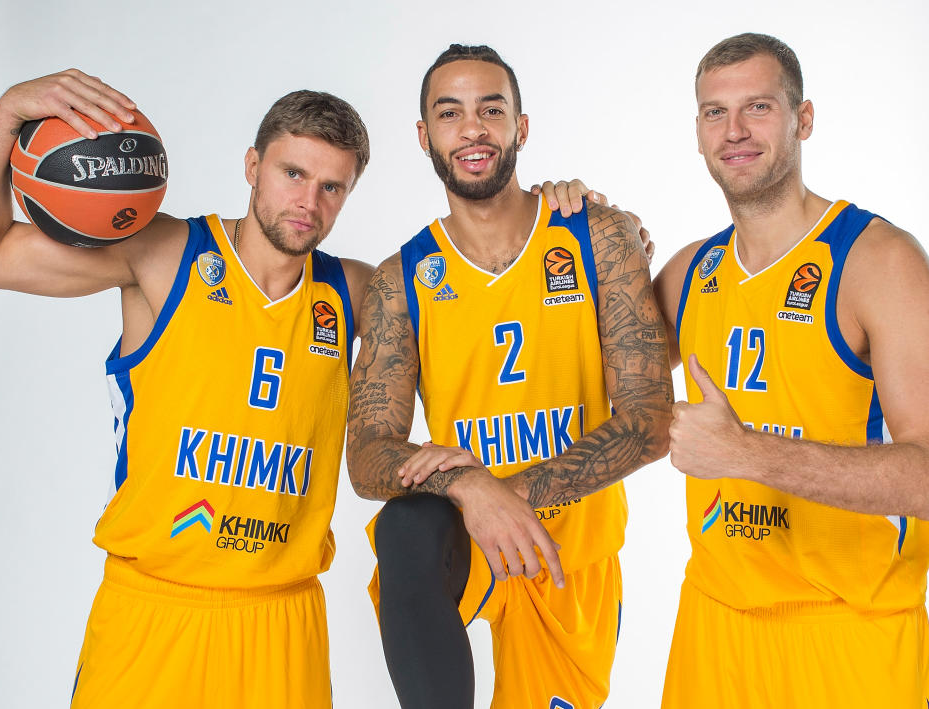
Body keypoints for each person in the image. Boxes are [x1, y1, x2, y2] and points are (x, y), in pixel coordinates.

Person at [0, 69, 374, 707]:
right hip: (153, 607)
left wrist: (556, 210)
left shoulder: (355, 292)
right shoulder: (163, 255)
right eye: (292, 174)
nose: (309, 202)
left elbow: (483, 304)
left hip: (282, 620)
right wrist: (4, 119)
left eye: (332, 187)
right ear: (252, 166)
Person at [346, 44, 673, 709]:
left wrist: (507, 495)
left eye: (489, 111)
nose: (471, 129)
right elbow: (367, 454)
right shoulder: (400, 281)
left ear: (520, 128)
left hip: (568, 557)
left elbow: (648, 419)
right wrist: (469, 487)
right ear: (424, 136)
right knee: (404, 527)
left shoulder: (595, 237)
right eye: (449, 113)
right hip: (464, 543)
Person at [652, 33, 929, 708]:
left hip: (848, 632)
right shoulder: (689, 271)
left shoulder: (875, 260)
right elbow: (603, 381)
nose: (734, 131)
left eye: (758, 108)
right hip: (713, 625)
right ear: (696, 131)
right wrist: (581, 227)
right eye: (714, 113)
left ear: (802, 119)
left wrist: (744, 452)